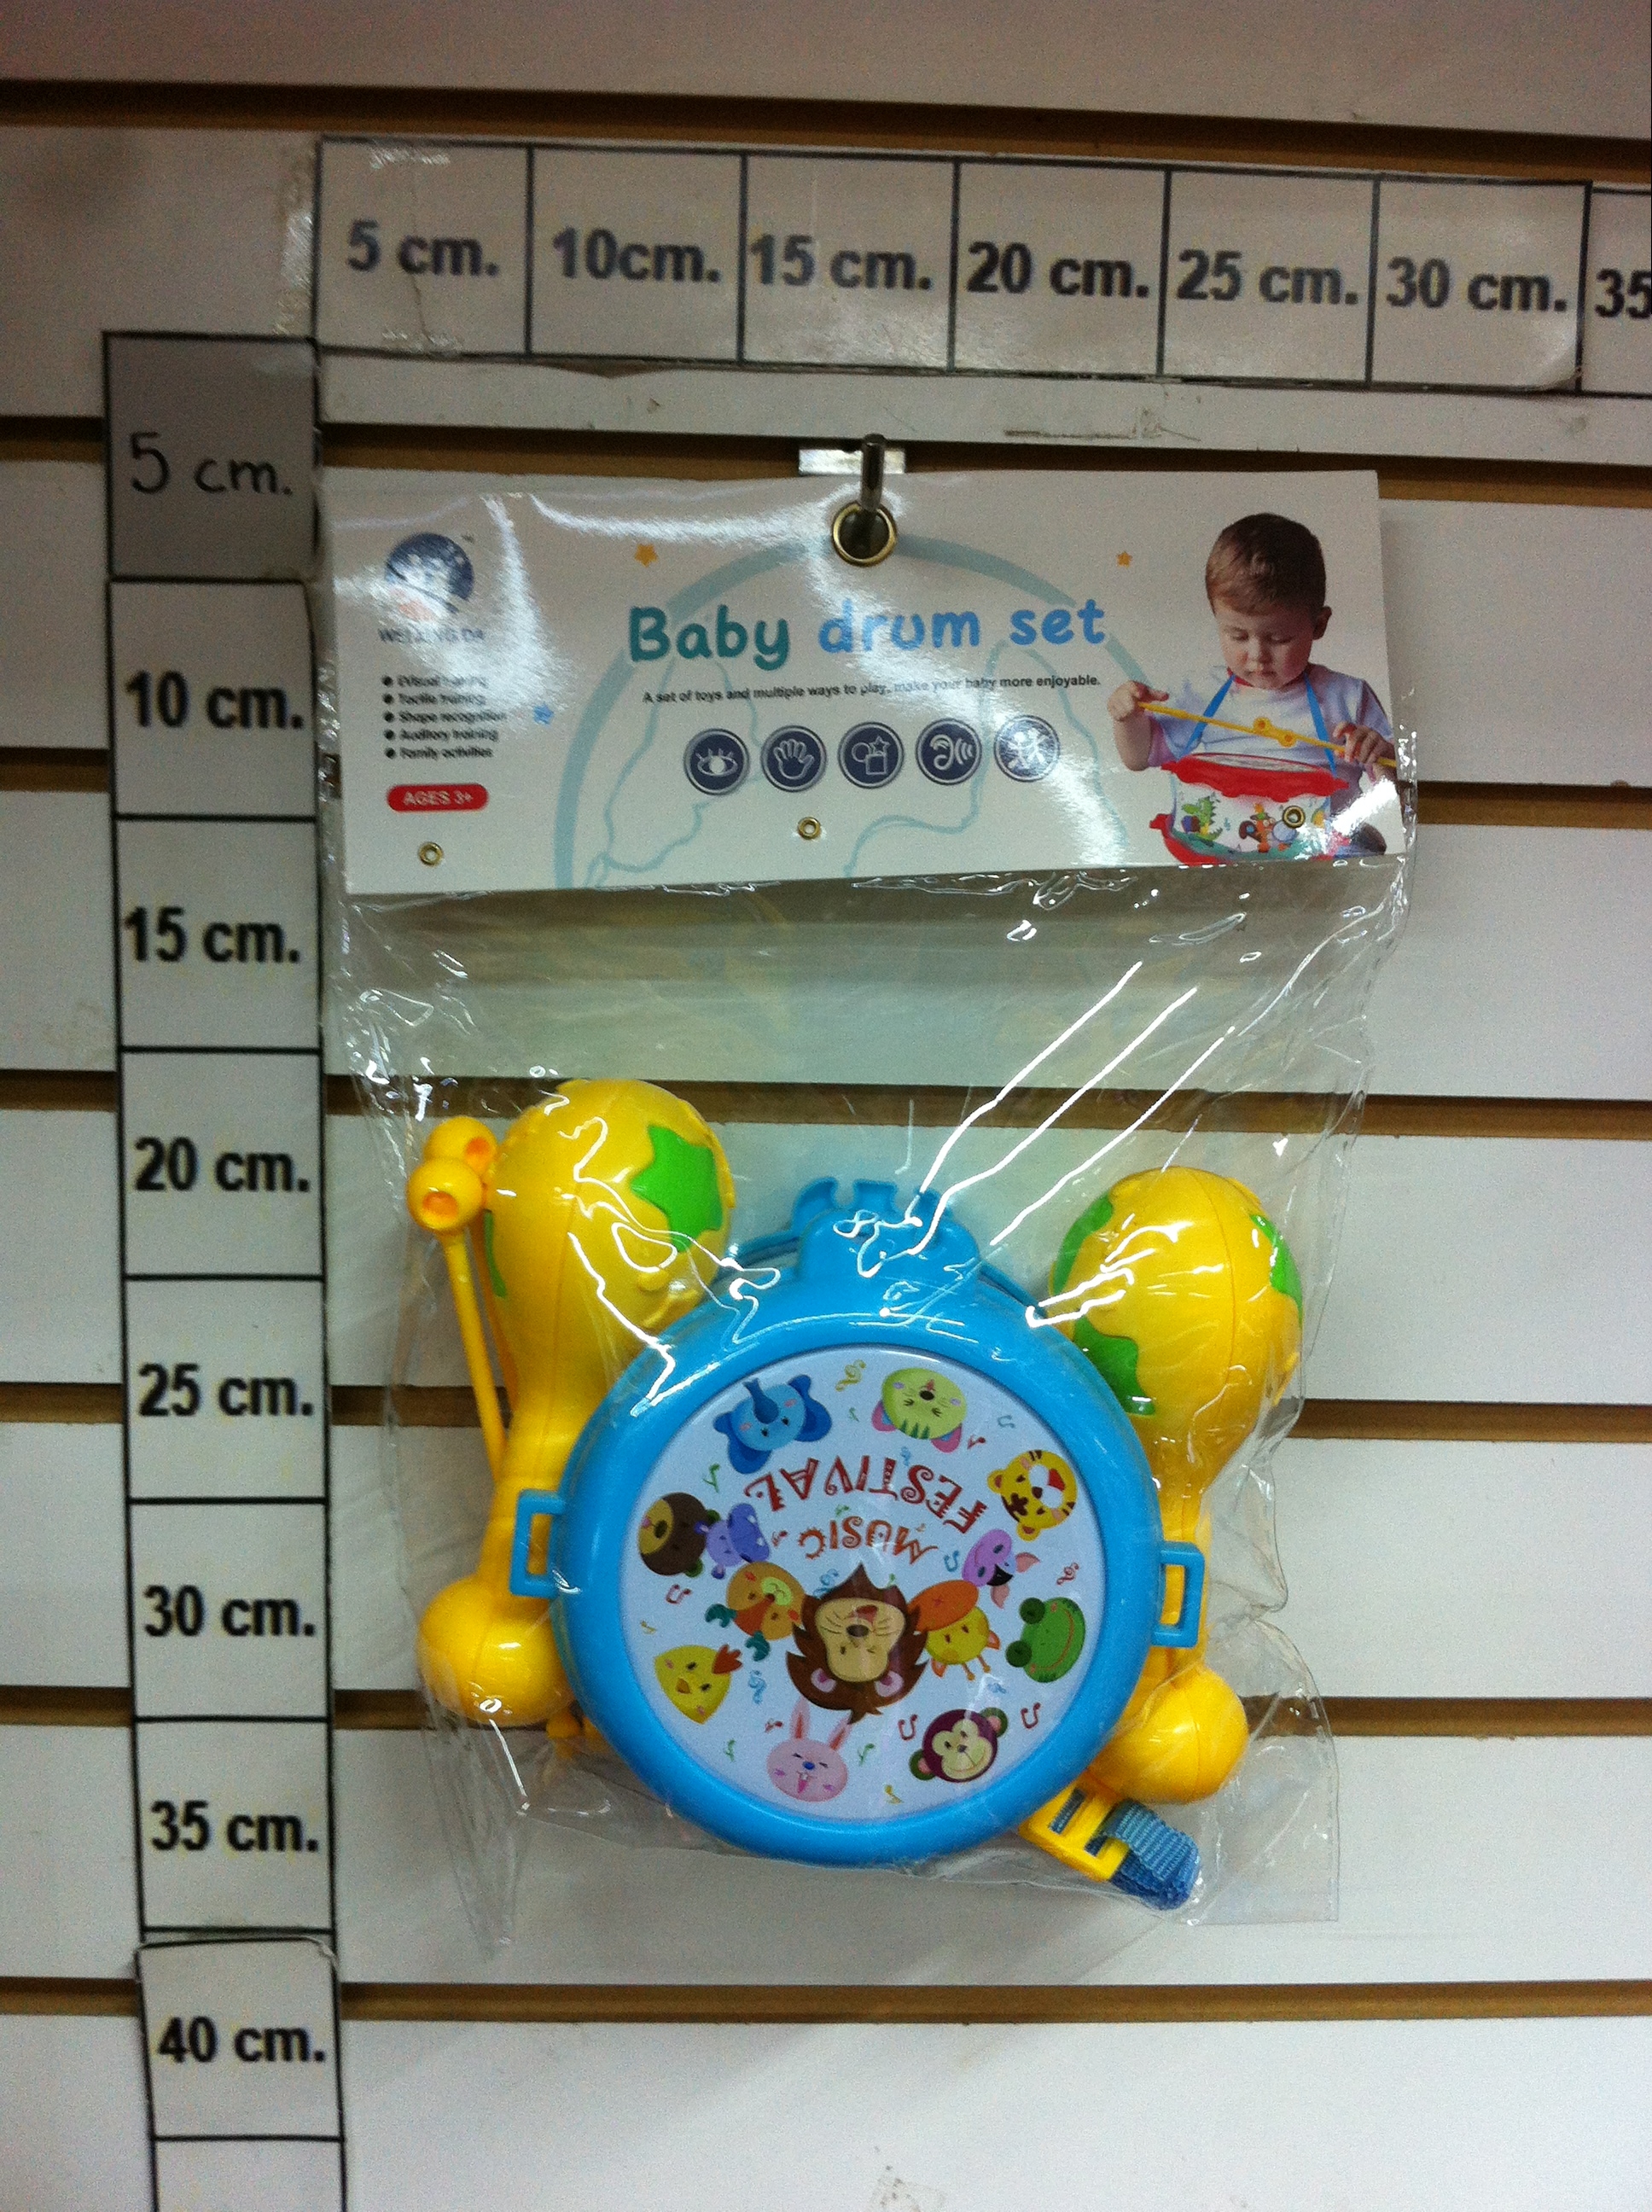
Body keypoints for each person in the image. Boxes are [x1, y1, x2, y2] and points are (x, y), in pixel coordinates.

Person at [1108, 512, 1393, 860]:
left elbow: (1393, 790)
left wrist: (1382, 755)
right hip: (1221, 857)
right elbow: (1138, 757)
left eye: (1279, 638)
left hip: (1321, 862)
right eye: (1238, 636)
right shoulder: (1201, 693)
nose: (1258, 656)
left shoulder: (1348, 697)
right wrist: (1128, 719)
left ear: (1318, 625)